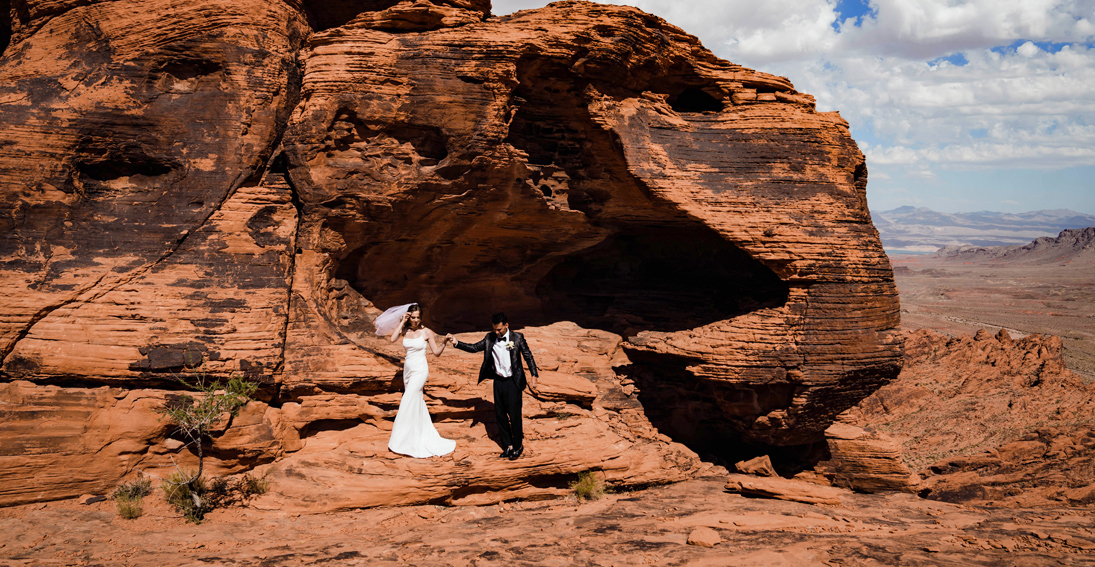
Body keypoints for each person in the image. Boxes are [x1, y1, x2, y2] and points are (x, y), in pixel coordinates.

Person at [447, 312, 539, 460]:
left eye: (499, 330)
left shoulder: (517, 337)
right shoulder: (490, 338)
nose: (497, 332)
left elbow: (528, 356)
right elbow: (474, 347)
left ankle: (518, 446)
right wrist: (456, 342)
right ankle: (508, 446)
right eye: (494, 329)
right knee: (500, 415)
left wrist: (534, 375)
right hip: (498, 381)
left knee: (514, 415)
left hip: (513, 382)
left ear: (507, 326)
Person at [378, 303, 456, 458]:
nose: (415, 320)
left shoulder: (427, 332)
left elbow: (436, 353)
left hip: (420, 370)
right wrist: (402, 322)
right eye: (412, 317)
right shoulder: (405, 330)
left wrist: (444, 343)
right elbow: (393, 339)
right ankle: (415, 434)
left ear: (421, 317)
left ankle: (401, 440)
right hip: (408, 370)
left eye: (417, 317)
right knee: (415, 402)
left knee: (408, 399)